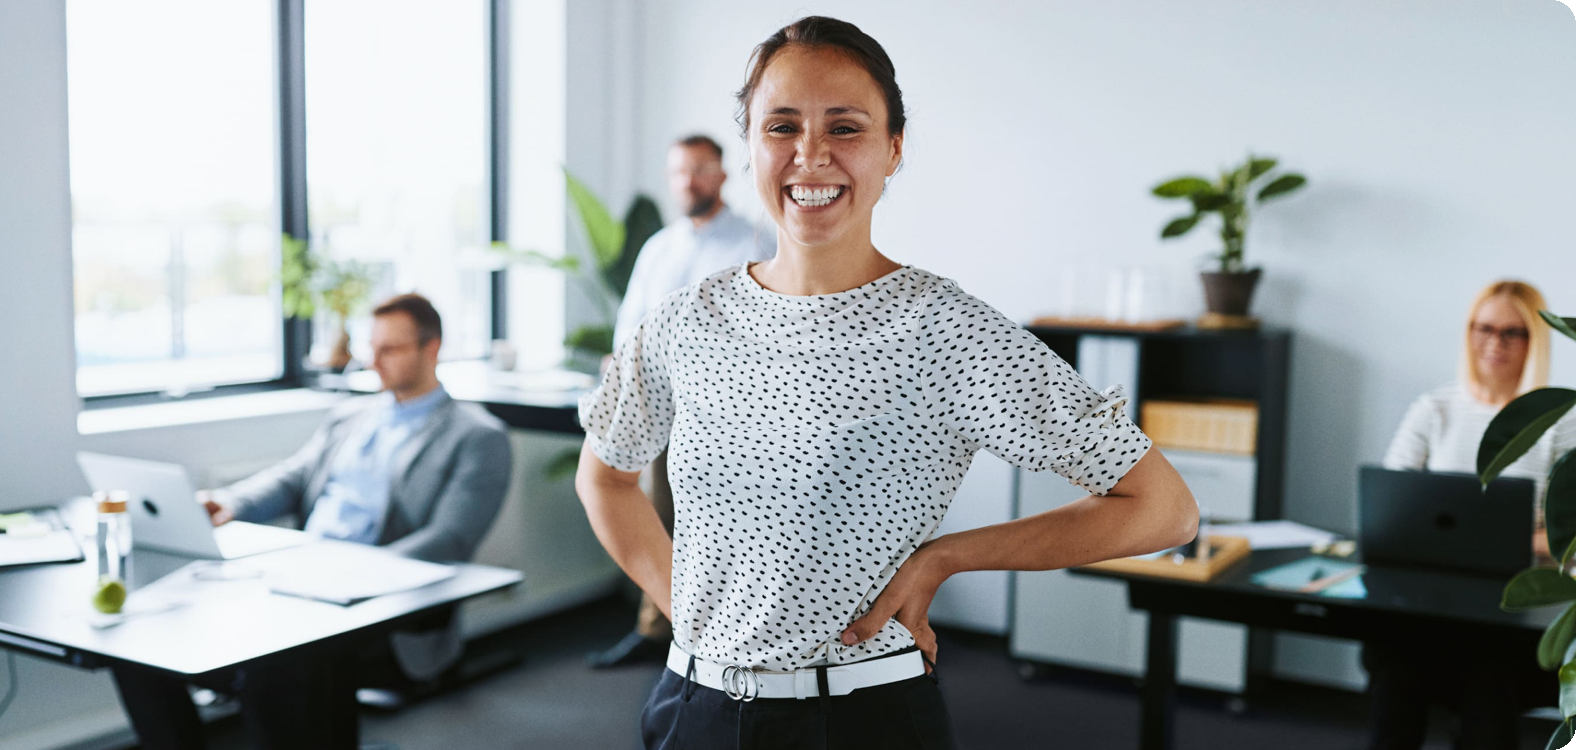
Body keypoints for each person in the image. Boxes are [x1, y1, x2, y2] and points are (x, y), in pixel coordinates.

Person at [574, 16, 1198, 749]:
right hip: (692, 709)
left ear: (893, 149)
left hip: (859, 719)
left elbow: (1162, 508)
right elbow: (607, 479)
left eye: (845, 127)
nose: (811, 155)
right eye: (781, 126)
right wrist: (689, 609)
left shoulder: (947, 331)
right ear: (749, 145)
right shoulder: (686, 322)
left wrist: (947, 556)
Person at [110, 292, 512, 750]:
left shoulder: (477, 437)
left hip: (375, 606)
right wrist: (231, 503)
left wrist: (348, 575)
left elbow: (450, 538)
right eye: (371, 348)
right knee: (142, 639)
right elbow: (294, 476)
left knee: (277, 661)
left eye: (390, 350)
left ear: (432, 348)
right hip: (300, 575)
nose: (373, 362)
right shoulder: (351, 416)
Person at [588, 134, 776, 668]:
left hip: (735, 416)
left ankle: (730, 632)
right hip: (662, 411)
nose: (688, 182)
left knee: (727, 525)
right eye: (678, 172)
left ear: (720, 175)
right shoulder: (659, 248)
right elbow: (631, 325)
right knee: (660, 518)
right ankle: (660, 629)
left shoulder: (756, 241)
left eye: (699, 170)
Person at [1367, 279, 1575, 750]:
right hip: (1426, 603)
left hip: (1510, 612)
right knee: (1396, 677)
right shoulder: (1434, 409)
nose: (1493, 343)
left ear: (1533, 340)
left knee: (1488, 688)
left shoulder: (1559, 420)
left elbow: (1569, 536)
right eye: (1483, 328)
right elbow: (1388, 507)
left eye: (1510, 333)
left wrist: (1508, 542)